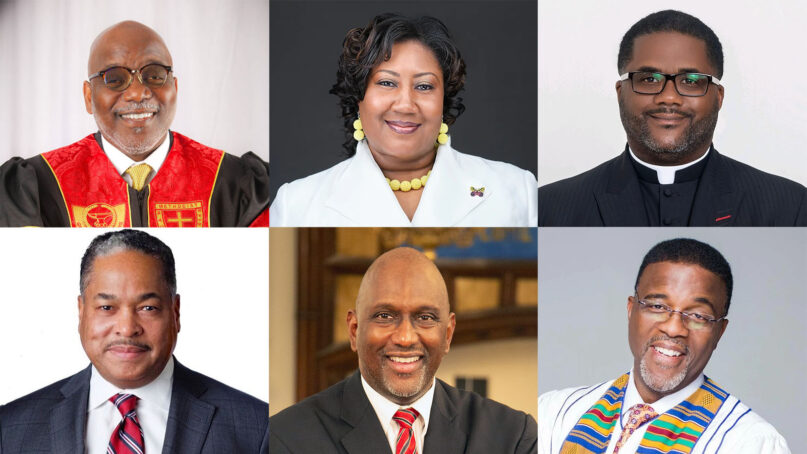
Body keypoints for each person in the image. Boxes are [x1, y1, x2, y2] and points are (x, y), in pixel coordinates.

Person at [0, 230, 268, 452]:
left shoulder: (256, 428)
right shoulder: (10, 428)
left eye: (147, 308)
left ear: (175, 312)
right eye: (107, 308)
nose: (127, 328)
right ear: (81, 312)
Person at [538, 10, 806, 226]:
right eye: (649, 79)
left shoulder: (790, 208)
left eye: (690, 81)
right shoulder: (550, 207)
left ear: (719, 96)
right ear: (621, 93)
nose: (668, 97)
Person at [270, 14, 537, 227]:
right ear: (358, 97)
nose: (406, 105)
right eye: (387, 83)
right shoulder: (297, 204)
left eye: (424, 86)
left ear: (444, 100)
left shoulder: (516, 190)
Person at [0, 21, 269, 227]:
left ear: (175, 88)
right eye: (114, 79)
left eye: (154, 75)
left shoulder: (237, 185)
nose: (138, 93)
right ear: (88, 97)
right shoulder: (35, 187)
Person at [270, 247, 536, 453]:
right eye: (385, 316)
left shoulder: (512, 437)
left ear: (447, 334)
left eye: (426, 317)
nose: (406, 338)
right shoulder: (286, 439)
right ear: (354, 330)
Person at [538, 238, 789, 453]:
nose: (674, 328)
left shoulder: (748, 443)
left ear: (719, 332)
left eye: (698, 315)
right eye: (657, 306)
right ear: (630, 309)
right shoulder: (556, 414)